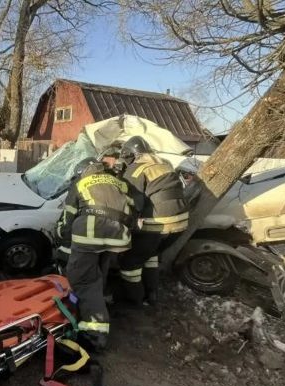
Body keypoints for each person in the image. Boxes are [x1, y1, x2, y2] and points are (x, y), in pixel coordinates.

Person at [56, 160, 134, 351]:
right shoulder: (118, 182)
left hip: (90, 234)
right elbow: (133, 207)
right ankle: (101, 296)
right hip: (118, 237)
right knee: (99, 270)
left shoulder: (81, 183)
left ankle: (94, 334)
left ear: (82, 172)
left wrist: (60, 235)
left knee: (82, 280)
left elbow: (68, 219)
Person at [117, 136, 190, 306]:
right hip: (180, 224)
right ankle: (152, 295)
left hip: (158, 225)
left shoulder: (136, 169)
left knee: (130, 263)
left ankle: (134, 300)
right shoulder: (164, 164)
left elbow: (133, 203)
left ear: (130, 155)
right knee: (150, 255)